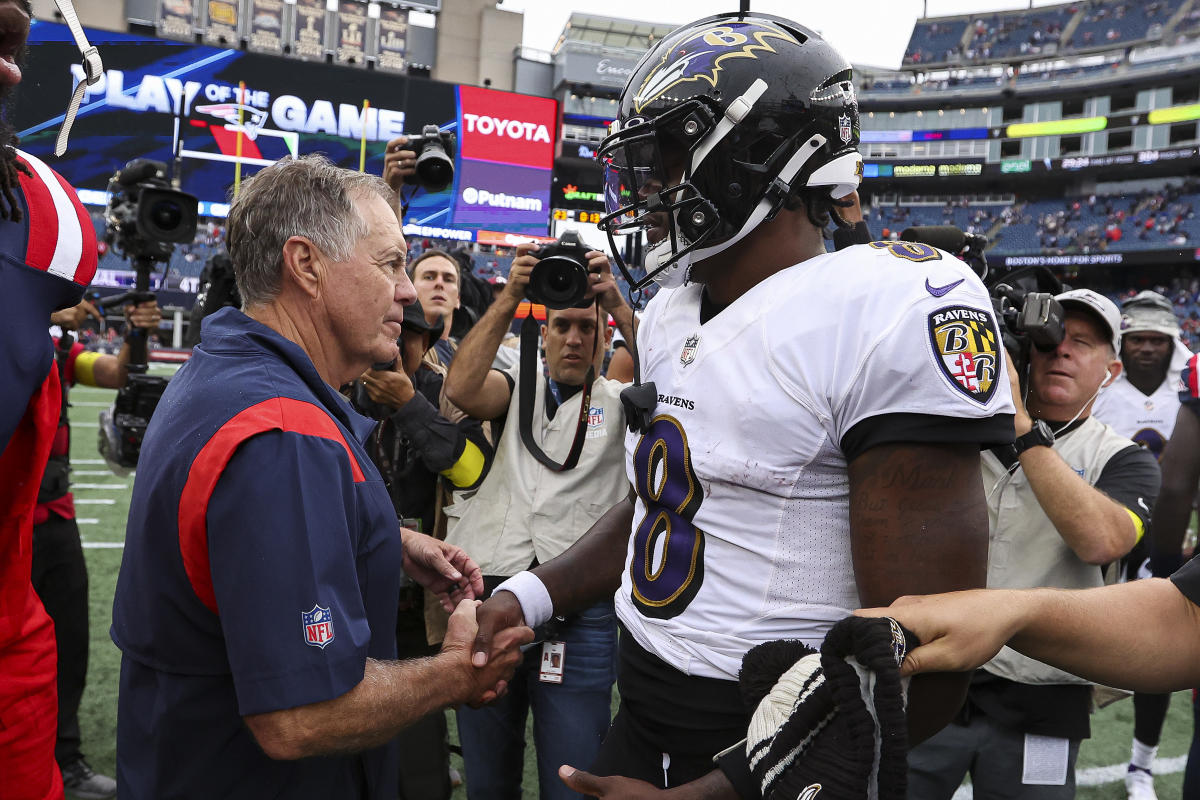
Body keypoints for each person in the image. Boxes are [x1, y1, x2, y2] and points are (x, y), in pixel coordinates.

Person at [470, 11, 1014, 798]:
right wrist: (533, 591)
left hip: (776, 754)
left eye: (663, 162)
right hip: (644, 706)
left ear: (756, 156)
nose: (647, 191)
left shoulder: (885, 305)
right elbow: (675, 502)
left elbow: (926, 653)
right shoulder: (669, 312)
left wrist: (719, 789)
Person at [108, 155, 532, 800]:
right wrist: (454, 674)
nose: (409, 289)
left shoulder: (225, 369)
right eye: (389, 263)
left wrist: (382, 537)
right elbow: (298, 716)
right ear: (306, 265)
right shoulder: (283, 432)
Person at [906, 289, 1159, 800]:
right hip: (933, 681)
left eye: (1083, 343)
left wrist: (1023, 425)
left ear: (1110, 372)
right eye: (1050, 341)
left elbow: (1101, 541)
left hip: (1044, 701)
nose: (1061, 351)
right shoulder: (958, 429)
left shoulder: (1127, 459)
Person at [441, 243, 635, 800]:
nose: (574, 339)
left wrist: (620, 307)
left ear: (603, 340)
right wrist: (510, 296)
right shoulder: (513, 385)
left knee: (572, 779)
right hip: (493, 589)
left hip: (580, 604)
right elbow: (459, 390)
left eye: (587, 328)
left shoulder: (624, 401)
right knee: (487, 775)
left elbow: (682, 383)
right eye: (561, 327)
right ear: (543, 334)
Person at [0, 2, 100, 796]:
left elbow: (103, 370)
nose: (11, 68)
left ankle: (72, 749)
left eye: (11, 47)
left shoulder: (40, 218)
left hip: (40, 527)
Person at [352, 298, 494, 799]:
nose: (390, 350)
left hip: (424, 599)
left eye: (404, 339)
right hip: (355, 596)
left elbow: (472, 472)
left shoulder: (447, 394)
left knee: (418, 752)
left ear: (426, 344)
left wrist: (410, 403)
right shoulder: (344, 393)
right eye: (384, 335)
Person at [36, 297, 160, 799]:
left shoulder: (57, 353)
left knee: (69, 639)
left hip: (54, 513)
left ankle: (65, 758)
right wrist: (40, 314)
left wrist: (135, 334)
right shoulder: (21, 337)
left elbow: (113, 373)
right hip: (9, 518)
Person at [1092, 290, 1187, 800]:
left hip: (1172, 537)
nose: (1147, 349)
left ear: (1173, 343)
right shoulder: (1101, 383)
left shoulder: (1189, 382)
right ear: (1121, 343)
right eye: (1137, 340)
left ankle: (1142, 767)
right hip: (1104, 529)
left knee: (1160, 656)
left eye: (1157, 340)